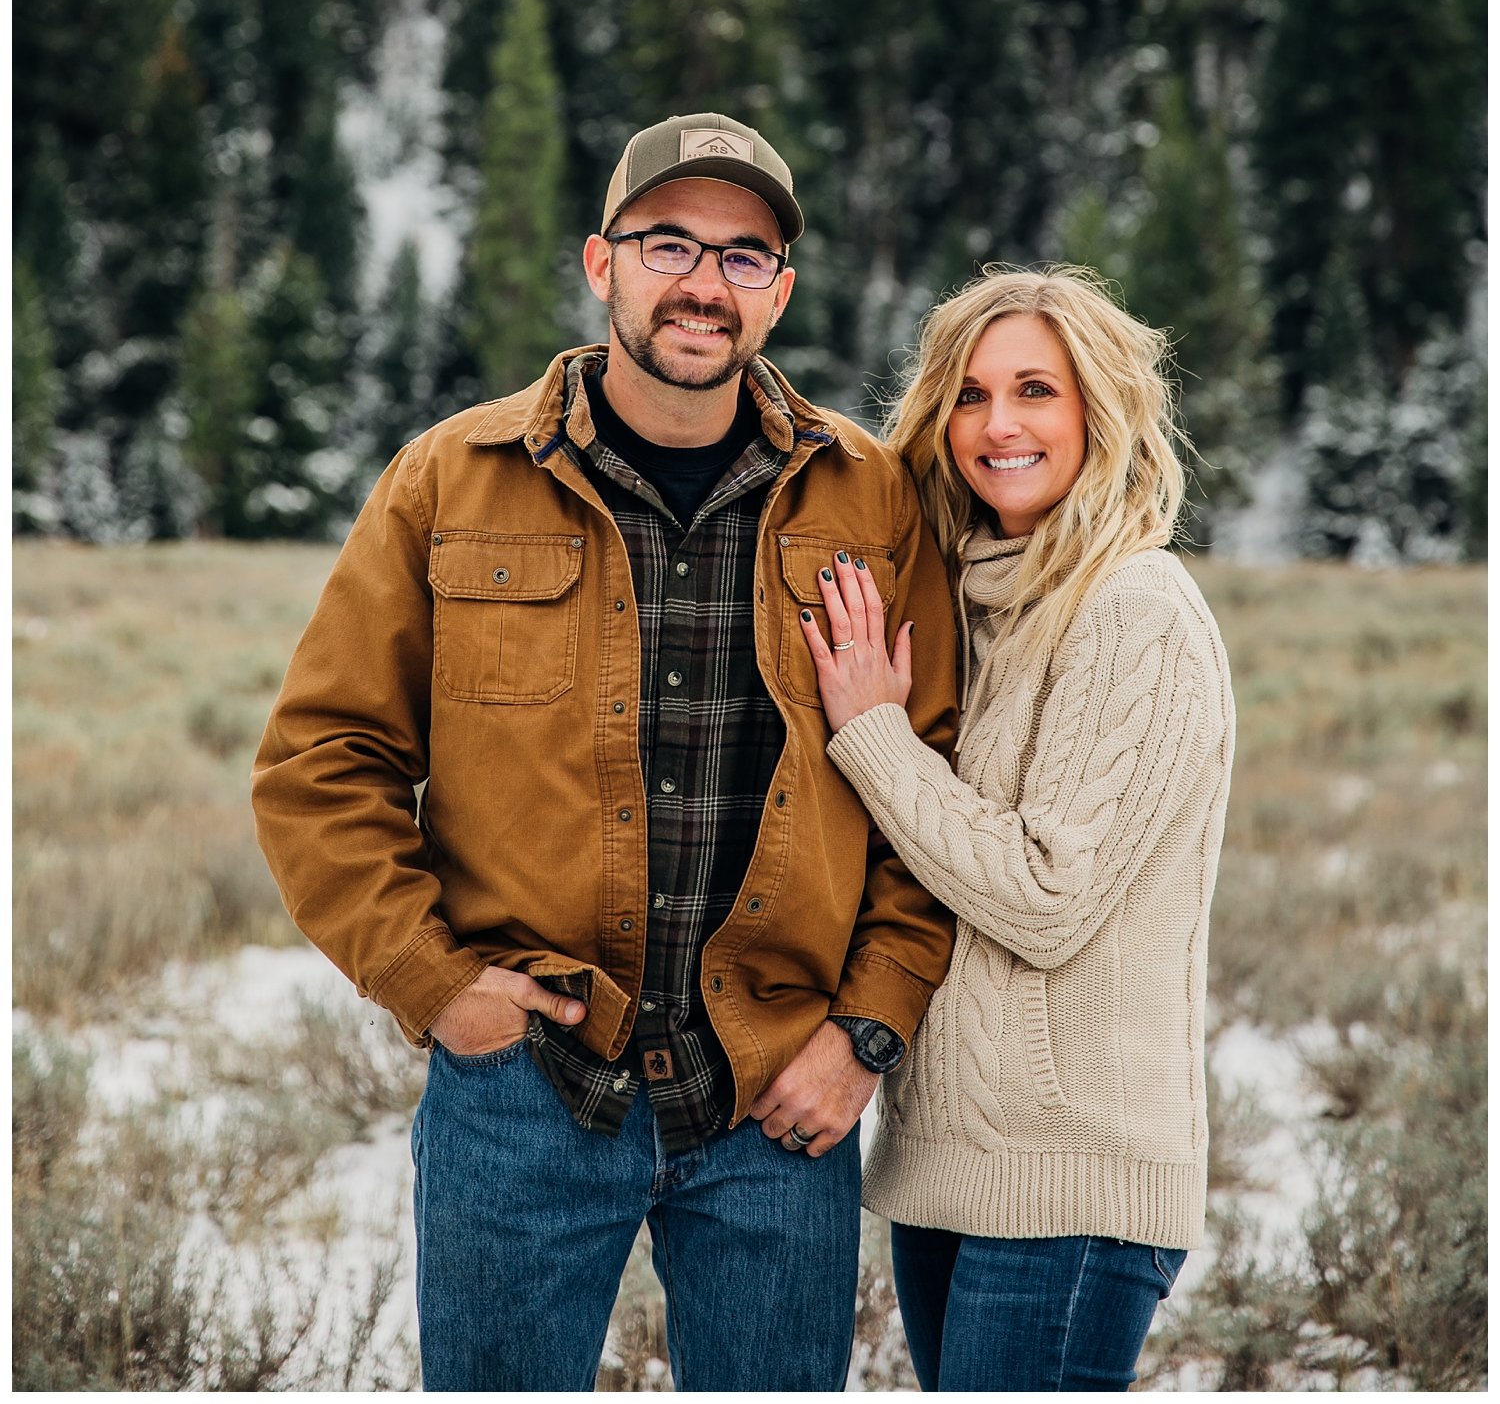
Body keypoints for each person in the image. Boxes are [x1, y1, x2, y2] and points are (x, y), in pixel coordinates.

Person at [251, 110, 959, 1393]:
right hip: (525, 1089)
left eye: (745, 257)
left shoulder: (868, 498)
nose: (704, 282)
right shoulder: (449, 480)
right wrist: (434, 982)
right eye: (669, 243)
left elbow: (933, 781)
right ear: (602, 261)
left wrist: (866, 1029)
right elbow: (322, 761)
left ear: (782, 291)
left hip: (774, 1098)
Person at [796, 265, 1235, 1393]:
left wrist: (875, 735)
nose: (999, 425)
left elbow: (1046, 896)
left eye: (1036, 390)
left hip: (1072, 1185)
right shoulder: (980, 597)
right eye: (973, 394)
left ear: (1100, 408)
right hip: (953, 1170)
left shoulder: (1135, 610)